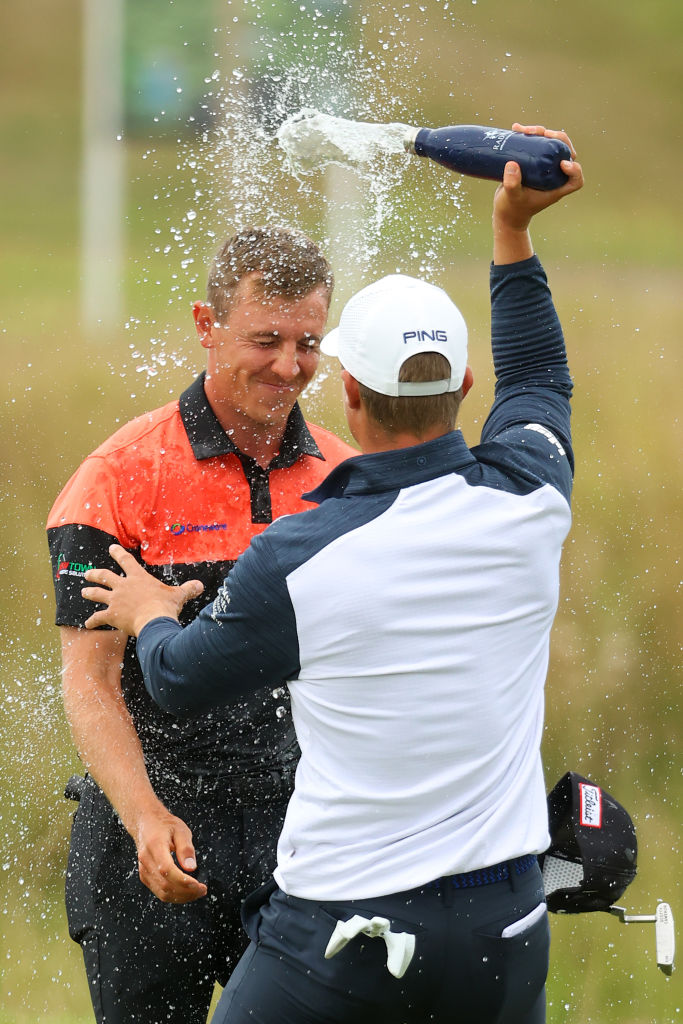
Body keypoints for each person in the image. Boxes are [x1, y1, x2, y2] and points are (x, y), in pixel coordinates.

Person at [80, 125, 584, 1024]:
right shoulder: (531, 499)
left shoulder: (305, 552)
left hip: (341, 933)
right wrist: (513, 229)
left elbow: (178, 678)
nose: (288, 363)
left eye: (307, 344)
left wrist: (152, 613)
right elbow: (542, 373)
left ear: (342, 384)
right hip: (502, 928)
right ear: (465, 381)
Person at [46, 225, 356, 1024]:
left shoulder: (345, 476)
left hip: (303, 841)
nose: (289, 367)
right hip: (151, 838)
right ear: (206, 325)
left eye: (308, 342)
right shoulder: (115, 479)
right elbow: (89, 685)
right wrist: (145, 816)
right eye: (265, 340)